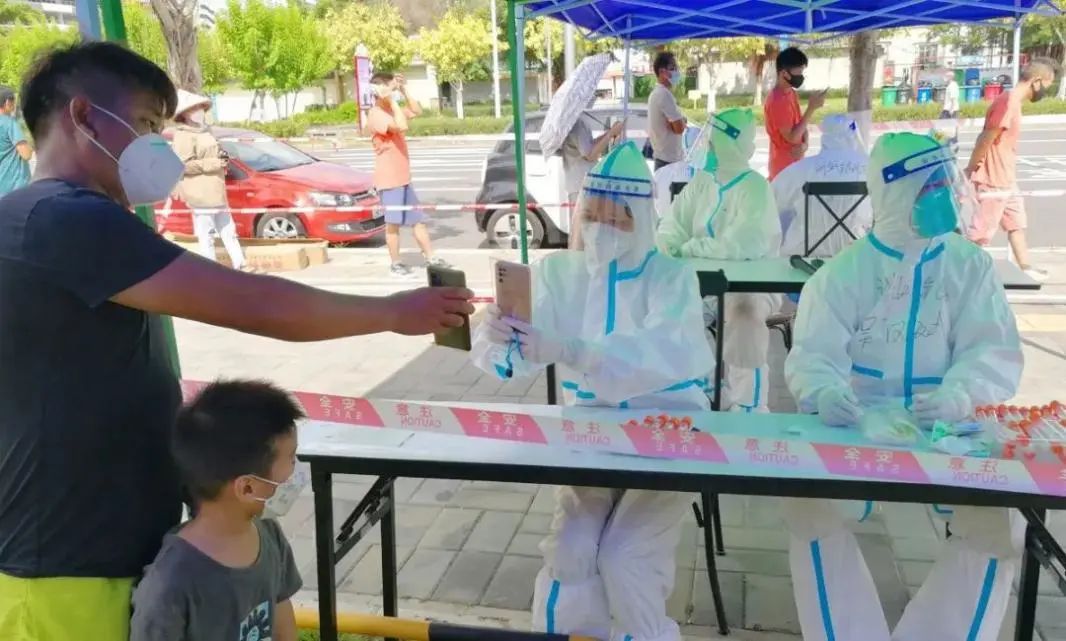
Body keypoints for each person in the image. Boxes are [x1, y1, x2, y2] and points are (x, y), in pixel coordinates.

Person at [0, 42, 472, 641]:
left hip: (88, 548)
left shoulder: (47, 217)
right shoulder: (63, 217)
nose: (158, 144)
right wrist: (393, 313)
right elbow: (255, 303)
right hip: (68, 570)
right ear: (84, 115)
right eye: (145, 123)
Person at [783, 131, 1023, 641]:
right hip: (860, 427)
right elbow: (813, 357)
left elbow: (990, 350)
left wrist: (960, 395)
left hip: (950, 429)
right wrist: (826, 394)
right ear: (896, 192)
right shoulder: (843, 274)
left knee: (1002, 522)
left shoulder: (969, 267)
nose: (944, 195)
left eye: (944, 183)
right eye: (929, 186)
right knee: (809, 505)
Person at [472, 141, 712, 641]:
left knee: (626, 557)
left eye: (617, 219)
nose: (601, 228)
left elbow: (665, 350)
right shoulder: (561, 273)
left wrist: (576, 350)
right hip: (593, 431)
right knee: (571, 551)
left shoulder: (672, 278)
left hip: (669, 430)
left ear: (642, 220)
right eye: (592, 215)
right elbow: (509, 358)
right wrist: (499, 336)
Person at [130, 380, 304, 641]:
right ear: (247, 488)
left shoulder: (268, 533)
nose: (296, 469)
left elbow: (283, 624)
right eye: (291, 458)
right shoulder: (168, 585)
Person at [657, 108, 781, 412]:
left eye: (713, 143)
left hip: (750, 287)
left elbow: (746, 243)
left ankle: (749, 407)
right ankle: (705, 394)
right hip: (700, 285)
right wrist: (668, 244)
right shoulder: (702, 183)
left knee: (745, 317)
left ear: (729, 144)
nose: (708, 149)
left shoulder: (755, 187)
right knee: (672, 311)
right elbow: (673, 225)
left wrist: (691, 247)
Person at [965, 58, 1057, 281]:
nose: (1045, 91)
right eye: (1046, 85)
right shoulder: (1007, 103)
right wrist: (971, 168)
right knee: (980, 233)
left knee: (1016, 223)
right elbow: (986, 138)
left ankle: (1025, 267)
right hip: (994, 178)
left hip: (1007, 177)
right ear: (1036, 81)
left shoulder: (1013, 102)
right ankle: (960, 273)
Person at [367, 72, 445, 277]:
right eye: (389, 88)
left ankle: (431, 257)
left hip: (404, 178)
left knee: (418, 220)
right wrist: (392, 101)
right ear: (379, 91)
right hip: (389, 180)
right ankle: (396, 263)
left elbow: (416, 110)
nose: (393, 92)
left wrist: (403, 90)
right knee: (393, 224)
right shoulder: (376, 114)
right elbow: (401, 126)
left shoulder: (392, 110)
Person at [772, 114, 872, 258]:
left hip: (803, 255)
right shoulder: (871, 167)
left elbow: (772, 206)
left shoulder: (799, 170)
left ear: (824, 136)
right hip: (856, 252)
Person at [170, 89, 248, 271]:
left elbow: (214, 154)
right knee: (207, 234)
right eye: (194, 108)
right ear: (184, 114)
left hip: (217, 189)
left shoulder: (206, 131)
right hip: (200, 193)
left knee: (228, 230)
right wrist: (213, 163)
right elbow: (182, 165)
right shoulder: (182, 135)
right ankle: (210, 269)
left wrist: (222, 158)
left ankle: (240, 264)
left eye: (200, 107)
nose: (199, 112)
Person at [561, 114, 624, 248]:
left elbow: (589, 146)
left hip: (580, 184)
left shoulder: (574, 122)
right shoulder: (576, 124)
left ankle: (581, 258)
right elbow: (590, 154)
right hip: (581, 185)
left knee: (584, 233)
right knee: (583, 235)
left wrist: (609, 133)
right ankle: (580, 260)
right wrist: (611, 133)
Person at [764, 46, 826, 180]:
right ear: (784, 73)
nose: (801, 77)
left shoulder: (791, 93)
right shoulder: (777, 101)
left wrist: (805, 145)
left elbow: (801, 126)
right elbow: (792, 137)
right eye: (799, 72)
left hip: (795, 166)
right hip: (783, 170)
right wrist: (811, 108)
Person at [648, 51, 687, 171]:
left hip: (665, 160)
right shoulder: (664, 94)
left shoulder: (657, 93)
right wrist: (681, 122)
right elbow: (679, 128)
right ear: (662, 72)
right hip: (669, 163)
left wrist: (678, 122)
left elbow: (677, 125)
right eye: (673, 68)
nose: (677, 72)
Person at [0, 86, 32, 196]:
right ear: (7, 102)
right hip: (15, 186)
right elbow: (26, 154)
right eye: (13, 101)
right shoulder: (9, 123)